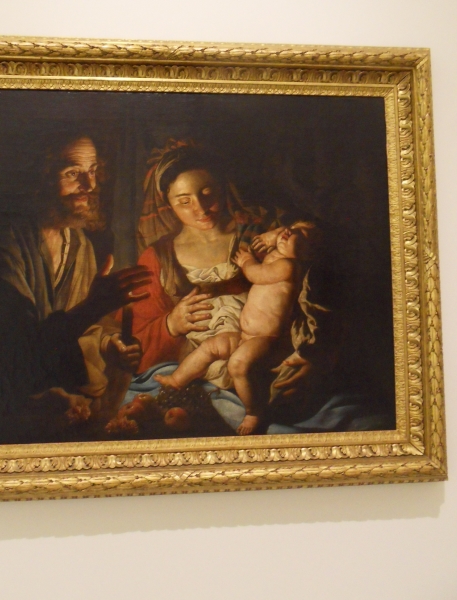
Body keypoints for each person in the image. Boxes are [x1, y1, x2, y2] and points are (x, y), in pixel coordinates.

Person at [0, 134, 151, 445]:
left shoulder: (78, 244)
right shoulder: (3, 239)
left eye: (92, 170)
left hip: (61, 399)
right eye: (72, 173)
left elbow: (78, 328)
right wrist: (94, 306)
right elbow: (14, 349)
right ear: (40, 176)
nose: (89, 185)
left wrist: (108, 344)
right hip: (0, 406)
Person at [132, 141, 337, 431]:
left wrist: (316, 353)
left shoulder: (261, 233)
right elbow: (136, 340)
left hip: (267, 357)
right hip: (201, 370)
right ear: (168, 203)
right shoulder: (158, 258)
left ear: (222, 187)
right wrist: (171, 324)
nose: (200, 208)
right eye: (184, 201)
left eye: (207, 193)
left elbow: (320, 290)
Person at [155, 221, 320, 434]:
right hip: (247, 335)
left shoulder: (288, 266)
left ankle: (253, 412)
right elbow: (276, 236)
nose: (290, 230)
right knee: (211, 346)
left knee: (237, 365)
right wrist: (274, 235)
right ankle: (177, 380)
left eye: (301, 233)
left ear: (308, 253)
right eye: (292, 226)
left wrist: (247, 261)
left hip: (266, 339)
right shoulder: (279, 255)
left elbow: (255, 275)